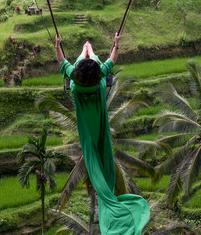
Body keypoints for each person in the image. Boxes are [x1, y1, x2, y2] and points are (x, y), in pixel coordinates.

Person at [55, 34, 150, 235]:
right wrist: (115, 44)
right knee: (94, 61)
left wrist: (58, 45)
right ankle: (89, 51)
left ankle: (87, 51)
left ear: (76, 74)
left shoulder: (74, 79)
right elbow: (111, 60)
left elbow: (62, 61)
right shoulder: (100, 80)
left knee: (85, 63)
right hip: (99, 124)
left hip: (86, 127)